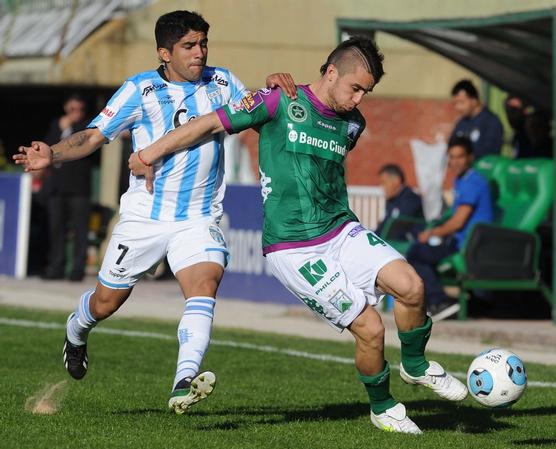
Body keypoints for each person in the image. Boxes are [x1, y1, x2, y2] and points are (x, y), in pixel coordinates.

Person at [126, 36, 468, 434]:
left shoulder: (353, 123)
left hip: (341, 229)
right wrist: (150, 152)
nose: (359, 100)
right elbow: (207, 123)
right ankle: (383, 407)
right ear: (330, 72)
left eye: (366, 92)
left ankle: (415, 365)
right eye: (355, 88)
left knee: (411, 286)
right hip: (293, 248)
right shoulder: (277, 101)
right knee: (371, 329)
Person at [14, 10, 296, 414]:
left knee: (205, 284)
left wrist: (273, 90)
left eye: (202, 44)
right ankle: (76, 329)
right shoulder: (139, 90)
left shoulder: (222, 82)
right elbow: (95, 135)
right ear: (164, 53)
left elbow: (256, 111)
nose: (199, 53)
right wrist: (54, 153)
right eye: (188, 46)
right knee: (106, 303)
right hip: (145, 218)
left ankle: (184, 380)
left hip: (198, 217)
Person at [406, 136, 494, 321]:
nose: (455, 162)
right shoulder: (460, 180)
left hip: (469, 245)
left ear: (470, 157)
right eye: (451, 157)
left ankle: (441, 302)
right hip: (457, 240)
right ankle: (439, 301)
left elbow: (458, 222)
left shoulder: (473, 182)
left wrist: (431, 233)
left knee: (417, 252)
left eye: (460, 157)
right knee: (418, 249)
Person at [41, 94, 95, 281]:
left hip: (79, 188)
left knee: (80, 231)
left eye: (79, 109)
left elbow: (82, 144)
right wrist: (62, 128)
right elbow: (48, 150)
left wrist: (71, 127)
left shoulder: (87, 126)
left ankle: (77, 270)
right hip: (57, 187)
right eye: (72, 109)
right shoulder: (57, 124)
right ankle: (56, 267)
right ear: (66, 108)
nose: (75, 113)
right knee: (56, 229)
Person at [450, 80, 503, 160]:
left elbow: (491, 154)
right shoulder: (461, 123)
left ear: (474, 100)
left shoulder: (491, 122)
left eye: (461, 102)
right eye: (455, 104)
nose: (457, 107)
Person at [375, 164, 424, 240]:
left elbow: (397, 227)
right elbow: (384, 227)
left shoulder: (411, 199)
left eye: (384, 182)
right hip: (391, 244)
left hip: (407, 247)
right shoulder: (391, 200)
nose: (382, 187)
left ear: (396, 180)